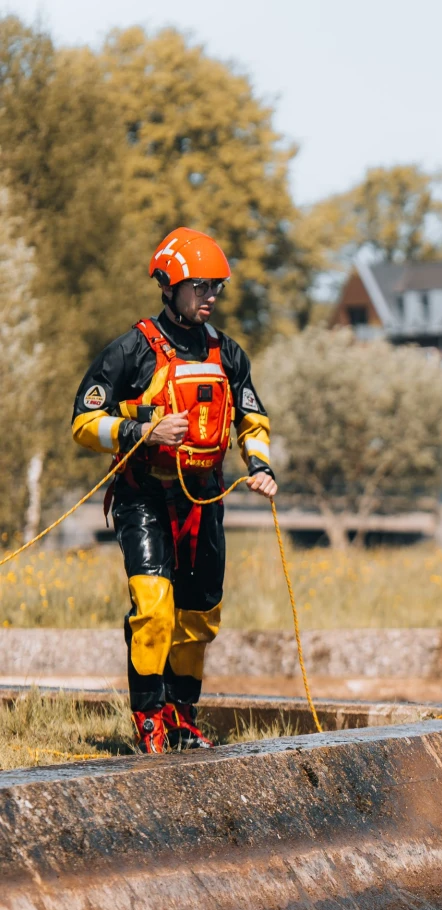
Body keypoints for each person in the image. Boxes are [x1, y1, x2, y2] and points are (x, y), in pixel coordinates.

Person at [69, 228, 277, 753]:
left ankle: (182, 717)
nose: (210, 296)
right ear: (169, 285)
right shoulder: (131, 350)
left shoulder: (228, 353)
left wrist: (260, 465)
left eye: (218, 288)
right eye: (200, 285)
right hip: (145, 498)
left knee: (198, 615)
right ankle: (149, 721)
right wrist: (141, 431)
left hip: (204, 500)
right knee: (155, 607)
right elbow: (82, 421)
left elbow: (252, 418)